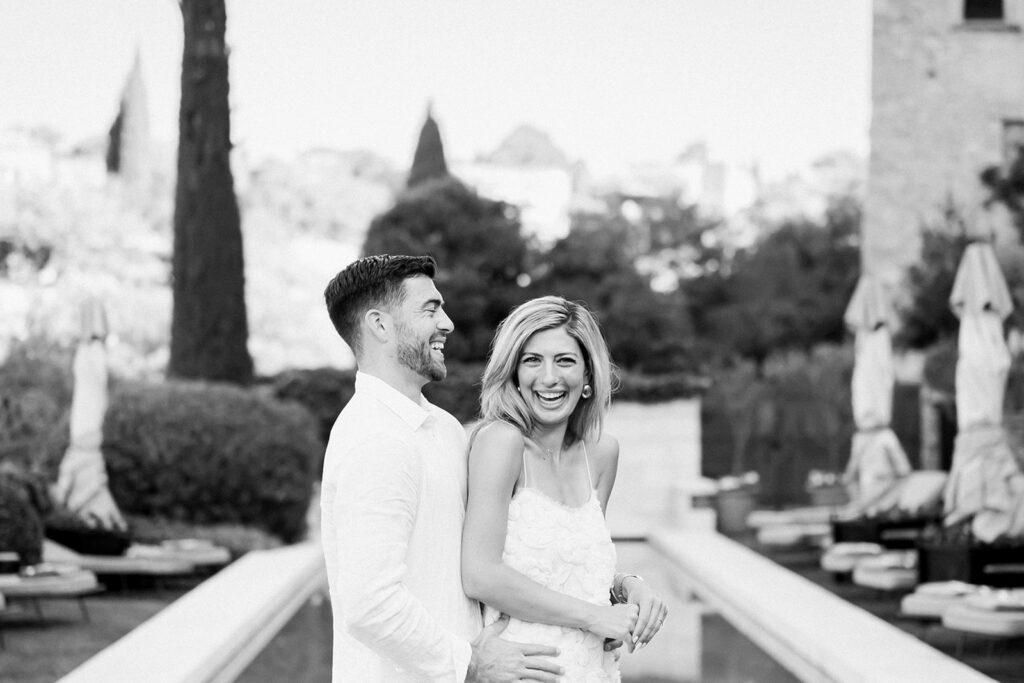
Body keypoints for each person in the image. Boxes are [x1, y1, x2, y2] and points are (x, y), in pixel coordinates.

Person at [321, 254, 564, 682]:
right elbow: (369, 604)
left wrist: (608, 590)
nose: (447, 323)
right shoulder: (376, 439)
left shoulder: (444, 429)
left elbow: (490, 555)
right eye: (430, 310)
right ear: (380, 325)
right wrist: (470, 663)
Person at [462, 296, 669, 682]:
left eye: (565, 360)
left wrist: (628, 589)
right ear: (513, 374)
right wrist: (596, 617)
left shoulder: (603, 454)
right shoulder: (501, 443)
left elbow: (578, 565)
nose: (549, 378)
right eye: (532, 360)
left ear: (589, 376)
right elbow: (480, 574)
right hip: (525, 672)